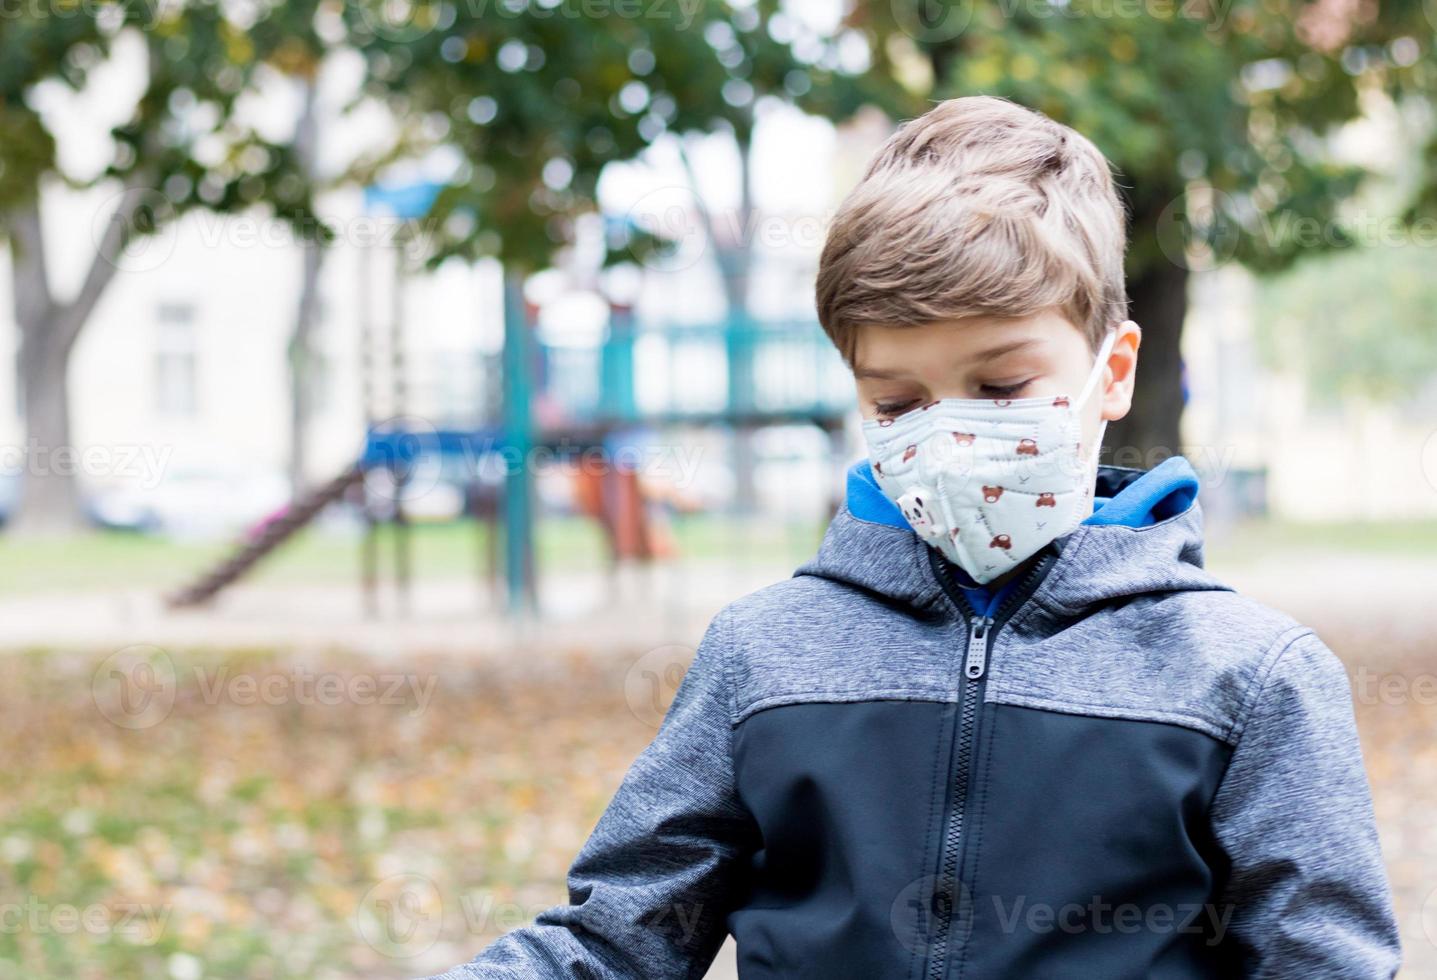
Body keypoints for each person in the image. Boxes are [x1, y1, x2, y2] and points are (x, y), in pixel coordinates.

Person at [429, 96, 1400, 979]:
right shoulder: (765, 654)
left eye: (1003, 385)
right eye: (897, 400)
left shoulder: (1251, 678)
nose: (949, 432)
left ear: (1113, 371)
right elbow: (617, 940)